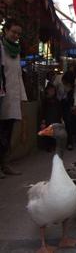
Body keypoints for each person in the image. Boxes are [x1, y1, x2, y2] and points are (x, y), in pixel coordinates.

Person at [0, 18, 27, 178]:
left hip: (13, 98)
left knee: (8, 133)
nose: (16, 35)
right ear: (5, 31)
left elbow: (18, 76)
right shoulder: (1, 48)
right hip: (2, 97)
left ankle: (5, 164)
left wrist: (22, 97)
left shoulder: (16, 52)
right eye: (14, 32)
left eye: (19, 33)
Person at [40, 83, 62, 151]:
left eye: (53, 90)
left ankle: (54, 145)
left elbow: (59, 110)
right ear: (47, 91)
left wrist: (61, 118)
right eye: (50, 90)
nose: (52, 92)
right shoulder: (45, 101)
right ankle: (49, 146)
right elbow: (43, 111)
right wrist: (43, 120)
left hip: (56, 119)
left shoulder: (57, 100)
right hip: (48, 119)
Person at [61, 70, 76, 150]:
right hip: (59, 100)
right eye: (67, 83)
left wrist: (75, 105)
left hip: (69, 101)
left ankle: (69, 142)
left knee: (68, 122)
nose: (68, 85)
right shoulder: (59, 80)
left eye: (70, 84)